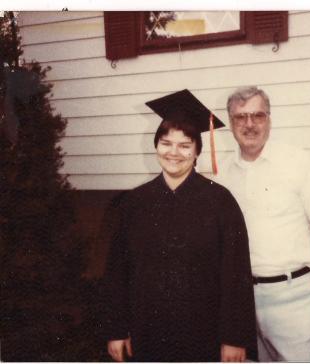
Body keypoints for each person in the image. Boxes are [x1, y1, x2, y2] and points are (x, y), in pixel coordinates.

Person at [101, 89, 257, 362]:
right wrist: (116, 328)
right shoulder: (133, 204)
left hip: (203, 334)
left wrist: (234, 338)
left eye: (185, 145)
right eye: (166, 143)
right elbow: (117, 273)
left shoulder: (220, 202)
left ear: (197, 151)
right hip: (145, 332)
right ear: (156, 146)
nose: (174, 152)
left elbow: (236, 274)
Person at [214, 86, 310, 361]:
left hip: (293, 300)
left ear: (269, 120)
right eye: (240, 117)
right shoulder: (222, 173)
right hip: (243, 301)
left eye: (258, 115)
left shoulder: (298, 161)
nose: (249, 124)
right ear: (230, 123)